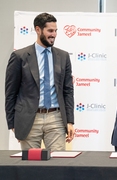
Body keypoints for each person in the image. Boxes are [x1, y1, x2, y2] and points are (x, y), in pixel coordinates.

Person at [5, 12, 74, 151]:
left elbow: (68, 91)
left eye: (55, 31)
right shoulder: (19, 56)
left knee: (58, 166)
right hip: (29, 119)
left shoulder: (63, 56)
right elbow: (10, 93)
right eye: (50, 30)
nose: (53, 34)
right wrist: (12, 123)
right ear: (38, 30)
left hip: (56, 118)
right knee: (31, 168)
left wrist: (70, 121)